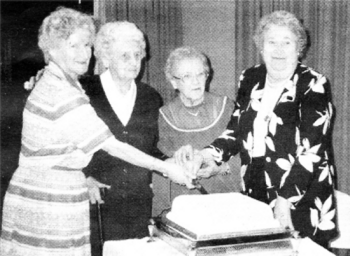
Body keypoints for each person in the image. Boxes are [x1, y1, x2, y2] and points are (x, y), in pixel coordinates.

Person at [0, 7, 193, 256]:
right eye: (74, 45)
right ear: (53, 48)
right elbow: (112, 145)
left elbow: (151, 144)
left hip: (84, 198)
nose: (84, 53)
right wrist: (167, 169)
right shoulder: (65, 91)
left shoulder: (71, 85)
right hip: (51, 201)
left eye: (87, 45)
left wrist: (174, 160)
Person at [175, 11, 338, 248]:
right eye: (271, 42)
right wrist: (206, 155)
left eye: (287, 43)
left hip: (302, 191)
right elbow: (236, 129)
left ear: (298, 48)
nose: (278, 50)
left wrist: (285, 200)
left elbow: (311, 150)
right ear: (261, 47)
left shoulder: (313, 84)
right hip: (256, 184)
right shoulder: (250, 77)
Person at [80, 21, 166, 253]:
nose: (133, 62)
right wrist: (83, 178)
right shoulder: (84, 91)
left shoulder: (150, 97)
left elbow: (153, 149)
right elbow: (63, 145)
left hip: (137, 205)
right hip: (94, 203)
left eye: (138, 55)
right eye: (125, 55)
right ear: (105, 58)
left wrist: (175, 162)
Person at [152, 46, 241, 217]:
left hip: (225, 201)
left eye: (201, 74)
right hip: (184, 205)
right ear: (173, 82)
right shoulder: (163, 116)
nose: (196, 81)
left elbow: (245, 153)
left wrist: (220, 168)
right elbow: (160, 165)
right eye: (187, 76)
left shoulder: (227, 107)